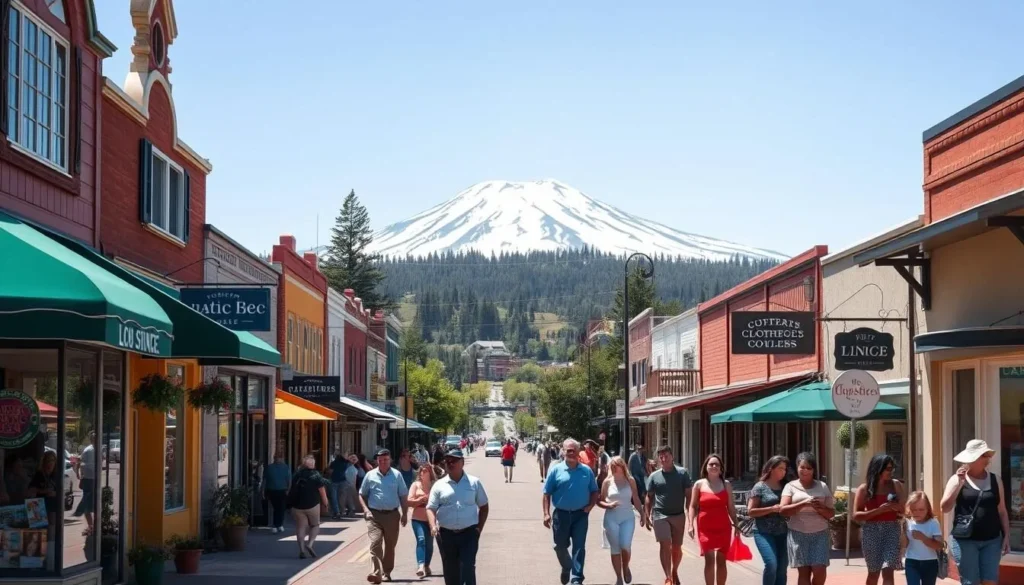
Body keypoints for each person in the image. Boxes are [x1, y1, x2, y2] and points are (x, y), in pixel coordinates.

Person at [940, 439, 1010, 585]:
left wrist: (1007, 536)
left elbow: (1002, 511)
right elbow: (945, 508)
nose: (988, 459)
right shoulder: (956, 479)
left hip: (992, 540)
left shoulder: (995, 480)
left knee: (990, 582)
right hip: (966, 541)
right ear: (975, 458)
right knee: (971, 582)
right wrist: (959, 485)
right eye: (985, 455)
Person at [427, 449, 489, 585]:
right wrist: (432, 526)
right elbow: (431, 508)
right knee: (450, 571)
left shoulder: (474, 483)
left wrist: (478, 529)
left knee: (468, 567)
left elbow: (484, 506)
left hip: (469, 534)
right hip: (446, 535)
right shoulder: (439, 485)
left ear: (462, 462)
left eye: (454, 461)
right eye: (447, 461)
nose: (450, 463)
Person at [543, 438, 599, 585]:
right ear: (563, 451)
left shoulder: (586, 471)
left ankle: (577, 578)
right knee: (560, 546)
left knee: (579, 547)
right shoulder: (556, 470)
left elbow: (594, 491)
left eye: (574, 450)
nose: (571, 453)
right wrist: (546, 513)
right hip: (560, 515)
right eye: (568, 450)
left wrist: (591, 505)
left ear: (578, 451)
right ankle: (567, 566)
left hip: (581, 515)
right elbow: (546, 493)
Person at [780, 452, 834, 585]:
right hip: (798, 533)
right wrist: (803, 504)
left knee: (819, 569)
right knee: (804, 571)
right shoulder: (790, 486)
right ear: (797, 467)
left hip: (820, 533)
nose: (805, 471)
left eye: (809, 468)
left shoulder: (822, 486)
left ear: (813, 470)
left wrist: (820, 507)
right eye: (802, 467)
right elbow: (783, 510)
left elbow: (831, 513)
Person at [358, 448, 410, 584]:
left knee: (390, 546)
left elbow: (403, 495)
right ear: (377, 461)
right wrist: (365, 509)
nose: (383, 462)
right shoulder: (370, 475)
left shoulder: (397, 475)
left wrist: (405, 514)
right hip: (374, 515)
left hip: (392, 515)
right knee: (375, 543)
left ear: (390, 460)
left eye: (386, 460)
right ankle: (375, 573)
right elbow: (361, 494)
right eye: (380, 460)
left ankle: (386, 572)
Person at [853, 454, 905, 585]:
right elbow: (856, 515)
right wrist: (879, 510)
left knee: (888, 570)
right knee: (874, 572)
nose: (891, 472)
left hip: (892, 529)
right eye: (888, 469)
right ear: (878, 468)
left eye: (892, 468)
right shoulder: (864, 489)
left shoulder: (896, 485)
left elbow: (905, 509)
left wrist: (896, 507)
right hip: (871, 531)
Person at [644, 445, 692, 585]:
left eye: (666, 456)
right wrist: (647, 514)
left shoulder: (683, 473)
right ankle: (668, 578)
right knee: (665, 544)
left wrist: (690, 515)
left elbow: (689, 495)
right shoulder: (654, 476)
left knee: (676, 547)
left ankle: (674, 571)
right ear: (659, 459)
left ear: (672, 456)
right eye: (661, 457)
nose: (664, 459)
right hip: (660, 515)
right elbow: (649, 497)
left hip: (678, 515)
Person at [688, 454, 739, 585]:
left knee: (721, 561)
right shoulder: (699, 484)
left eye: (717, 464)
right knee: (709, 561)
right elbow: (692, 506)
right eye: (711, 464)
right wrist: (690, 525)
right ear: (706, 467)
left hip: (723, 527)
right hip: (705, 528)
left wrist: (737, 524)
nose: (714, 466)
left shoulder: (726, 484)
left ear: (721, 468)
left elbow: (731, 507)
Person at [598, 456, 645, 585]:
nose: (613, 467)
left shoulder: (630, 480)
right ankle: (619, 578)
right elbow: (600, 500)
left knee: (625, 545)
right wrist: (608, 505)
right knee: (615, 548)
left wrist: (642, 513)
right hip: (611, 518)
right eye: (611, 465)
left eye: (616, 465)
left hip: (627, 517)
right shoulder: (607, 482)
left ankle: (626, 567)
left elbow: (635, 498)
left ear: (622, 466)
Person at [747, 456, 790, 585]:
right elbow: (751, 511)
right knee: (771, 564)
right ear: (771, 469)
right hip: (763, 532)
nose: (783, 472)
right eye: (780, 468)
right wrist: (771, 509)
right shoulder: (760, 487)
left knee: (782, 568)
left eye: (785, 469)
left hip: (783, 533)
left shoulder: (786, 486)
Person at [288, 454, 330, 559]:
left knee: (300, 527)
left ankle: (301, 550)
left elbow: (291, 488)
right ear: (313, 464)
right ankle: (310, 544)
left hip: (297, 506)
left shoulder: (297, 475)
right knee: (315, 525)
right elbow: (322, 491)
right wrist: (326, 503)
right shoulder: (316, 475)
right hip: (313, 505)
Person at [904, 491, 943, 585]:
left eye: (921, 509)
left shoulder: (933, 523)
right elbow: (904, 544)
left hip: (930, 562)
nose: (917, 513)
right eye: (914, 510)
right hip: (912, 561)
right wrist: (901, 531)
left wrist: (923, 538)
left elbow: (939, 545)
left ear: (927, 509)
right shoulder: (907, 523)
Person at [407, 463, 437, 577]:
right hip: (417, 518)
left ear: (430, 473)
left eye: (426, 471)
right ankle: (420, 565)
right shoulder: (415, 485)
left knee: (429, 545)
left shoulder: (435, 486)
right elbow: (409, 501)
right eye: (421, 471)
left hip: (430, 519)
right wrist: (420, 500)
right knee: (421, 540)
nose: (423, 473)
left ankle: (426, 565)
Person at [73, 432, 97, 531]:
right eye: (95, 438)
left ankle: (92, 526)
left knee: (93, 502)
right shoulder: (88, 450)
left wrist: (79, 473)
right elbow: (79, 461)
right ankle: (91, 526)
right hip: (88, 479)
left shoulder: (97, 449)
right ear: (92, 440)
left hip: (93, 479)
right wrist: (79, 473)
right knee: (88, 502)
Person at [264, 451, 292, 533]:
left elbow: (289, 480)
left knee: (280, 508)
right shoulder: (271, 467)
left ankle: (278, 524)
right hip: (274, 490)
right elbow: (265, 480)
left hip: (280, 490)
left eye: (279, 458)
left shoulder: (285, 467)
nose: (278, 459)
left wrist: (288, 490)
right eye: (276, 457)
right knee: (278, 508)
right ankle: (278, 524)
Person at [328, 451, 350, 520]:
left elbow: (330, 472)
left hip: (334, 480)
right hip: (343, 480)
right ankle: (342, 510)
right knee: (341, 497)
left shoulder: (334, 463)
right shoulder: (346, 463)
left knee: (334, 497)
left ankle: (336, 512)